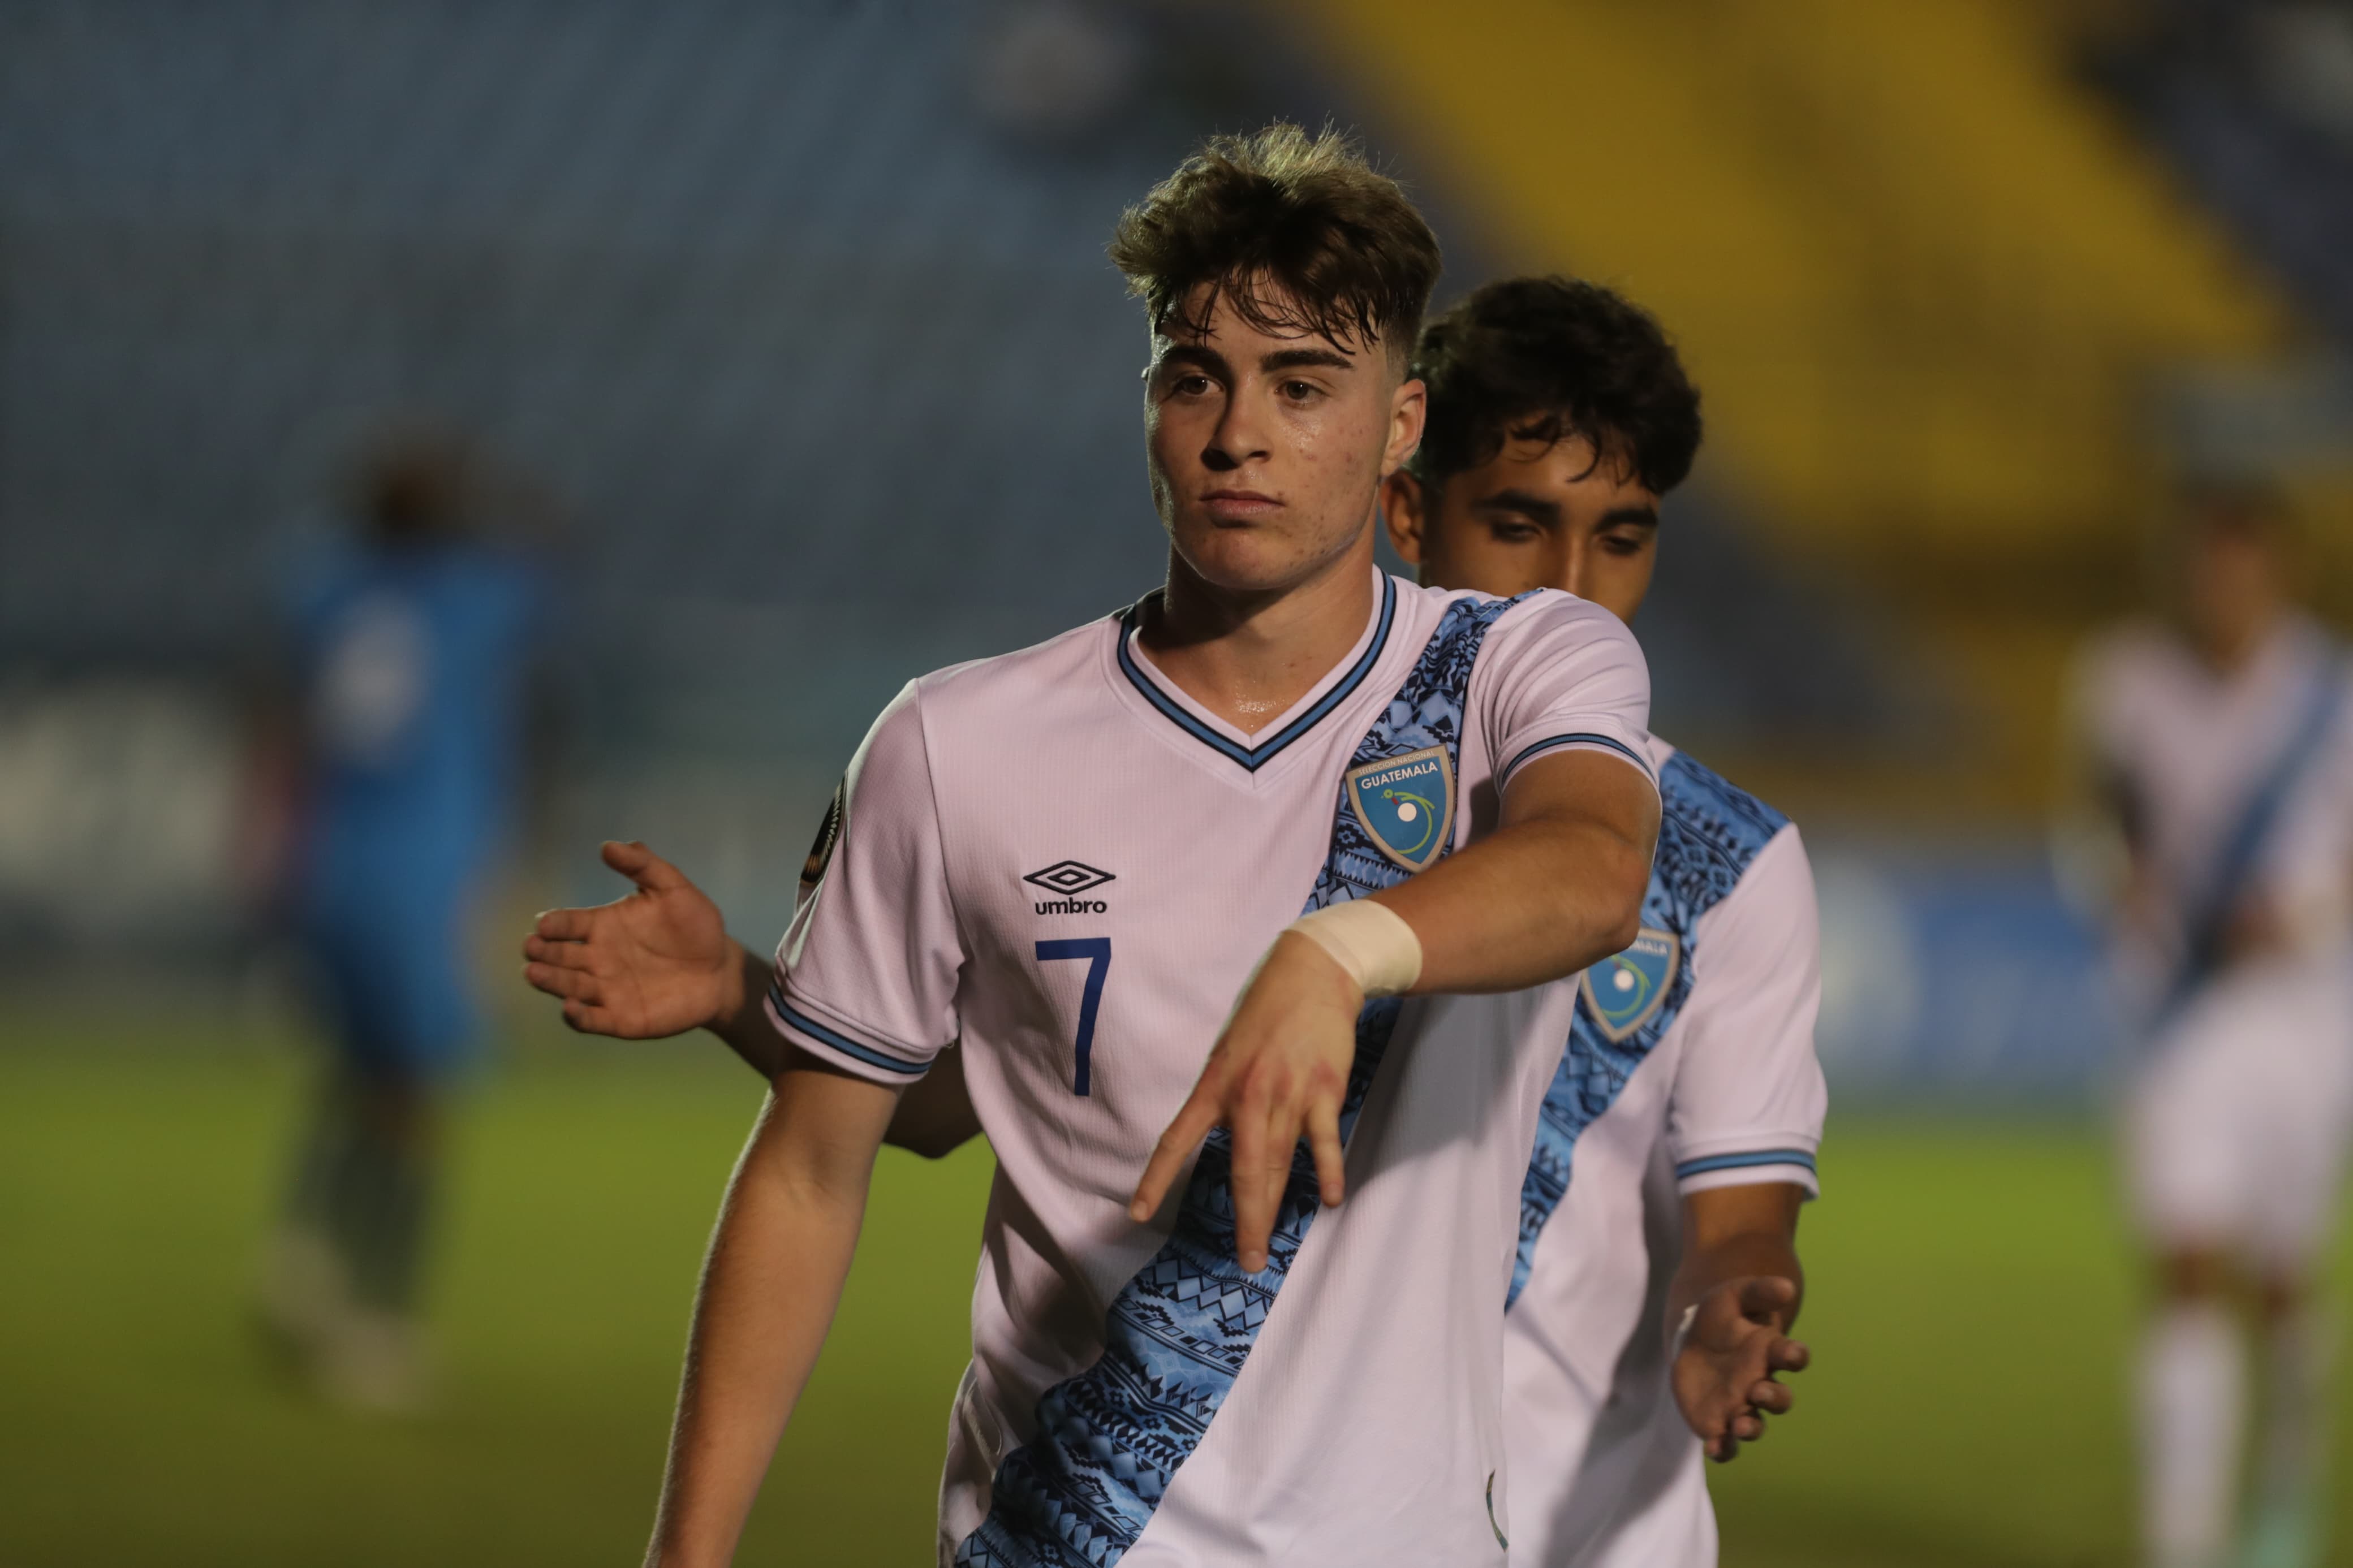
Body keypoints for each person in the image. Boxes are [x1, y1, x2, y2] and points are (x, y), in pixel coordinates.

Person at [528, 275, 1822, 1564]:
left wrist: (1730, 1295)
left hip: (1584, 1525)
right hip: (1216, 1504)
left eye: (1624, 535)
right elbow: (956, 1103)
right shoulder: (1230, 765)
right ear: (1406, 495)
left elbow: (1738, 1200)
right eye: (1522, 523)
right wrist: (748, 993)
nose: (1571, 583)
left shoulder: (1717, 861)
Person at [2060, 485, 2353, 1568]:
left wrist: (2304, 912)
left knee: (2280, 1279)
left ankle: (2286, 1455)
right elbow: (2098, 817)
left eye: (2240, 569)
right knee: (2184, 1263)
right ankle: (2181, 1542)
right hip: (2176, 1016)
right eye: (2203, 567)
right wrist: (2120, 885)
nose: (2219, 589)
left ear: (2279, 574)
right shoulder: (2122, 679)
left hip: (2303, 1019)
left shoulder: (2330, 696)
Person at [259, 429, 546, 1412]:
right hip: (425, 867)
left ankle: (301, 1257)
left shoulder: (325, 588)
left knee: (357, 1068)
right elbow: (554, 548)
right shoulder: (476, 596)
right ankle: (377, 1318)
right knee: (417, 1096)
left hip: (335, 856)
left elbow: (286, 701)